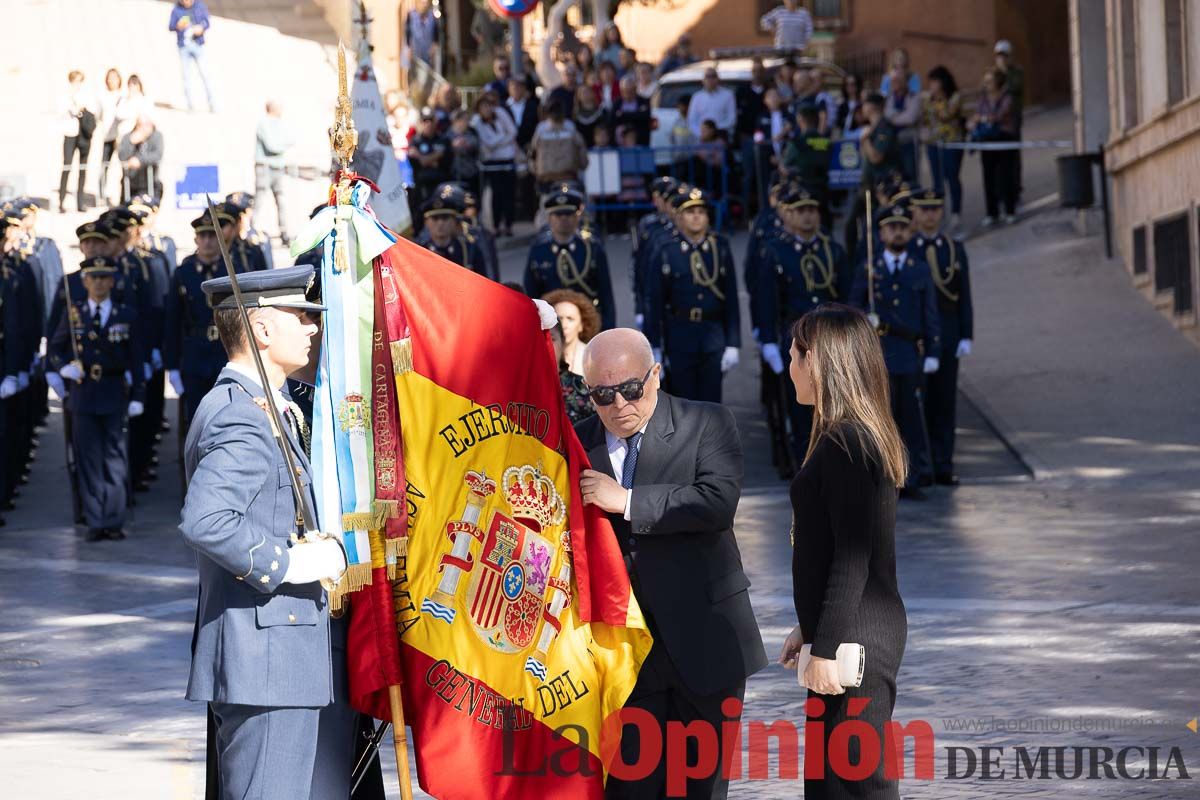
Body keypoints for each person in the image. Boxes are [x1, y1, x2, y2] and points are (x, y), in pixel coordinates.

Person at [575, 327, 767, 800]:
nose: (619, 405)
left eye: (630, 389)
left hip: (704, 640)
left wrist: (627, 500)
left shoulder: (707, 422)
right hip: (624, 654)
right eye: (602, 394)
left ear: (655, 376)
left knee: (699, 788)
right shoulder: (576, 441)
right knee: (629, 788)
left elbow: (716, 502)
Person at [180, 263, 349, 800]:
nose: (312, 328)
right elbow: (206, 521)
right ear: (260, 328)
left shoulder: (263, 408)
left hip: (273, 655)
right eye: (300, 316)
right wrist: (291, 564)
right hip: (267, 658)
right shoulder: (242, 415)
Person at [778, 303, 909, 800]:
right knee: (832, 784)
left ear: (820, 363)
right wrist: (807, 626)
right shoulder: (844, 437)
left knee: (856, 785)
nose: (788, 367)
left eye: (795, 356)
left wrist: (826, 645)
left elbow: (852, 559)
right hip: (846, 628)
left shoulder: (849, 444)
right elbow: (830, 548)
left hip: (855, 638)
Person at [753, 184, 851, 470]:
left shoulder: (831, 250)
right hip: (795, 337)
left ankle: (833, 461)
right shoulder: (776, 251)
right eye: (800, 211)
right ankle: (802, 464)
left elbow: (846, 297)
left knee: (833, 404)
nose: (808, 216)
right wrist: (769, 340)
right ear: (789, 216)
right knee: (799, 405)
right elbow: (767, 299)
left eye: (812, 210)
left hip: (830, 338)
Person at [48, 256, 144, 541]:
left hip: (114, 392)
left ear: (112, 281)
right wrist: (63, 367)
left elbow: (136, 359)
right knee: (88, 458)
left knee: (115, 457)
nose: (99, 282)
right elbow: (55, 347)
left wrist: (138, 393)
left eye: (104, 277)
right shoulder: (74, 312)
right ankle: (95, 519)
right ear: (84, 281)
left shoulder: (125, 314)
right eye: (94, 277)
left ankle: (114, 520)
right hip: (84, 392)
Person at [850, 203, 940, 499]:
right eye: (892, 227)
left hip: (907, 354)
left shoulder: (919, 268)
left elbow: (930, 313)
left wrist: (932, 351)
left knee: (910, 419)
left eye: (902, 227)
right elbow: (851, 309)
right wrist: (866, 318)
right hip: (878, 354)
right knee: (879, 420)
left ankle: (911, 477)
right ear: (881, 233)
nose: (898, 232)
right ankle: (881, 479)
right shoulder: (869, 269)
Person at [643, 187, 740, 403]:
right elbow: (655, 301)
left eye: (701, 211)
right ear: (678, 217)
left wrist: (733, 342)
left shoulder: (719, 247)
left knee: (712, 403)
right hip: (679, 334)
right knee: (683, 403)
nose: (696, 216)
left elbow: (731, 297)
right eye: (690, 211)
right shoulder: (666, 249)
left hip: (713, 335)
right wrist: (655, 346)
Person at [909, 189, 972, 486]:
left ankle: (943, 463)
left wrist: (966, 333)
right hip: (916, 335)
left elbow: (964, 296)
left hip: (947, 333)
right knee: (915, 405)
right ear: (915, 213)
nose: (931, 214)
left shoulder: (953, 249)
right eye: (925, 209)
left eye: (935, 208)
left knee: (944, 401)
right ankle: (920, 467)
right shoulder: (908, 250)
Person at [164, 213, 232, 430]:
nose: (208, 241)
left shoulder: (232, 269)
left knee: (227, 414)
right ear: (196, 240)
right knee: (197, 418)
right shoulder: (184, 273)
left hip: (225, 351)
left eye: (212, 235)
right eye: (203, 236)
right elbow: (172, 320)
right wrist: (172, 365)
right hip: (194, 353)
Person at [524, 187, 615, 329]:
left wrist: (607, 331)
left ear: (577, 216)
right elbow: (531, 295)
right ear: (549, 218)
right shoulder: (539, 250)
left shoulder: (592, 248)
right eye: (558, 215)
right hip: (551, 324)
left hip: (586, 323)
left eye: (568, 214)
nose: (563, 219)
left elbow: (606, 296)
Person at [969, 68, 1018, 226]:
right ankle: (992, 212)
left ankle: (1010, 210)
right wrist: (979, 120)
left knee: (1004, 176)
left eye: (990, 80)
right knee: (988, 176)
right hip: (987, 139)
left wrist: (982, 118)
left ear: (998, 82)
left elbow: (1000, 116)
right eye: (986, 81)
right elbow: (977, 115)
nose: (986, 83)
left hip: (1004, 138)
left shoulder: (1006, 97)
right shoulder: (983, 99)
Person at [923, 66, 966, 231]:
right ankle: (939, 213)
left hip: (952, 142)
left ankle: (956, 213)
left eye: (934, 82)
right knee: (937, 181)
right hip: (934, 143)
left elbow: (947, 115)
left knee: (952, 176)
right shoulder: (929, 99)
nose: (931, 86)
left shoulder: (954, 97)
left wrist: (937, 100)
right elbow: (925, 118)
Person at [414, 184, 488, 277]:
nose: (440, 223)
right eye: (435, 218)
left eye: (445, 218)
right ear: (426, 222)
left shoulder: (469, 250)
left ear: (454, 221)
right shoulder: (418, 253)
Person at [472, 92, 519, 237]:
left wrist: (499, 141)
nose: (487, 110)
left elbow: (513, 132)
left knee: (509, 195)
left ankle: (509, 225)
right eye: (483, 107)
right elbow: (488, 143)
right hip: (492, 164)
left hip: (507, 160)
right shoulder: (477, 122)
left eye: (488, 106)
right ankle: (496, 225)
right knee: (496, 195)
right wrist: (503, 138)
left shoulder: (500, 114)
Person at [254, 101, 294, 247]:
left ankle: (284, 232)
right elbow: (272, 146)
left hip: (278, 168)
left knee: (281, 201)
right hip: (264, 167)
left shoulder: (280, 124)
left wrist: (282, 144)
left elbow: (291, 139)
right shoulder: (263, 124)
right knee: (259, 200)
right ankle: (250, 230)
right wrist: (282, 144)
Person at [530, 99, 588, 194]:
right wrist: (582, 165)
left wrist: (535, 170)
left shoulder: (569, 126)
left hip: (564, 177)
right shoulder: (541, 128)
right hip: (550, 179)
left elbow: (532, 153)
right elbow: (533, 152)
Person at [168, 0, 216, 113]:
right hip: (183, 46)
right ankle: (190, 105)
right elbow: (170, 26)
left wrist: (201, 28)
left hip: (197, 43)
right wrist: (177, 26)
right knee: (186, 77)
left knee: (205, 74)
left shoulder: (200, 6)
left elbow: (207, 21)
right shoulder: (176, 10)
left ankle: (212, 104)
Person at [993, 39, 1025, 202]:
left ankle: (1016, 188)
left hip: (1013, 118)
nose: (1002, 59)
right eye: (999, 55)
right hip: (997, 119)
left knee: (1014, 154)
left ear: (1009, 56)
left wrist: (1004, 77)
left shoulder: (1016, 72)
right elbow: (988, 90)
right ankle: (1000, 190)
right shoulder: (992, 74)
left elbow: (1015, 87)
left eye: (1004, 55)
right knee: (998, 156)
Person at [408, 108, 449, 232]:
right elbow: (419, 161)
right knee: (420, 214)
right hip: (421, 187)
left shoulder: (443, 139)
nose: (428, 124)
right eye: (425, 120)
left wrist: (422, 157)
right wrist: (433, 157)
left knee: (440, 215)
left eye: (431, 120)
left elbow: (445, 160)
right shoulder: (415, 141)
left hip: (440, 186)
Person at [59, 70, 95, 213]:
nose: (77, 84)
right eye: (75, 81)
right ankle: (61, 201)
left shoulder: (86, 95)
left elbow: (89, 111)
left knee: (82, 168)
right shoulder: (65, 96)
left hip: (83, 134)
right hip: (70, 133)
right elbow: (64, 112)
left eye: (79, 81)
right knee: (67, 166)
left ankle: (80, 202)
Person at [883, 64, 922, 182]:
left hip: (909, 143)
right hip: (892, 145)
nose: (894, 83)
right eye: (893, 80)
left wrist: (894, 118)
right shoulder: (889, 98)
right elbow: (886, 115)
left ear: (905, 81)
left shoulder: (914, 97)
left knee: (911, 177)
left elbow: (910, 118)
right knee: (895, 178)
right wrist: (899, 116)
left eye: (898, 80)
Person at [117, 116, 164, 203]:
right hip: (130, 183)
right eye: (140, 125)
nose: (143, 128)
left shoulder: (157, 136)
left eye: (146, 125)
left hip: (150, 183)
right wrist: (131, 143)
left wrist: (140, 160)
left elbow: (157, 155)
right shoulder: (128, 137)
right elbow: (121, 156)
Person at [97, 68, 124, 207]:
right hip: (107, 136)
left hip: (122, 136)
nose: (112, 80)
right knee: (105, 166)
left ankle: (122, 195)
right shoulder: (103, 96)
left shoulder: (123, 95)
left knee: (122, 167)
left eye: (115, 77)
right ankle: (102, 195)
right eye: (110, 78)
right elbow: (99, 115)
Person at [687, 67, 737, 140]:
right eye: (707, 76)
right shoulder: (697, 97)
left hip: (720, 138)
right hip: (701, 139)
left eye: (713, 76)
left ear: (718, 79)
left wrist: (713, 131)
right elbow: (691, 121)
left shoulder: (728, 95)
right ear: (703, 80)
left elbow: (731, 119)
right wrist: (702, 134)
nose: (710, 79)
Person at [446, 110, 481, 200]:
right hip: (453, 176)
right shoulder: (447, 135)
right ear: (456, 121)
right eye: (464, 119)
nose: (467, 122)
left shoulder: (472, 133)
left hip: (470, 175)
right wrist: (452, 145)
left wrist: (466, 144)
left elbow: (476, 145)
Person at [613, 75, 651, 146]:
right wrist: (635, 115)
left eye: (631, 90)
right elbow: (613, 119)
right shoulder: (617, 103)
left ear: (635, 89)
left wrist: (623, 115)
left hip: (640, 142)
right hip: (620, 144)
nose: (628, 93)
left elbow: (644, 117)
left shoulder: (644, 101)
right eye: (625, 91)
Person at [404, 0, 440, 68]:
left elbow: (436, 33)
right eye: (422, 3)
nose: (424, 5)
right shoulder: (411, 15)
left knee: (425, 72)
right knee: (415, 72)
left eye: (426, 3)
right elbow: (407, 33)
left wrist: (435, 45)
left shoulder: (432, 16)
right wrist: (408, 48)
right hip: (415, 49)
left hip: (427, 51)